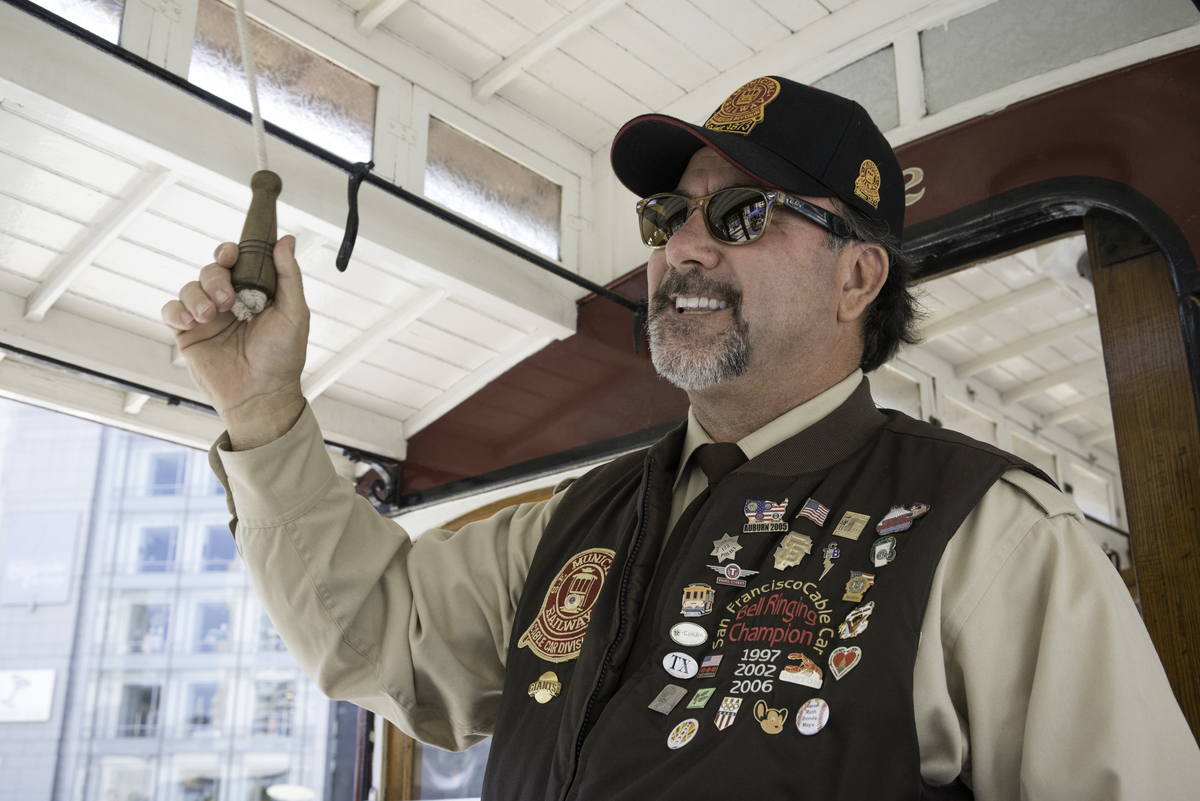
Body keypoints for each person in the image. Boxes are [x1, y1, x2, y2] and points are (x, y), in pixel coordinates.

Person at [162, 77, 1200, 799]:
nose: (685, 247)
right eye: (670, 216)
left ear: (858, 276)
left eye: (745, 215)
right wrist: (262, 413)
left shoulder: (986, 538)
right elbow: (379, 639)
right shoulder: (573, 525)